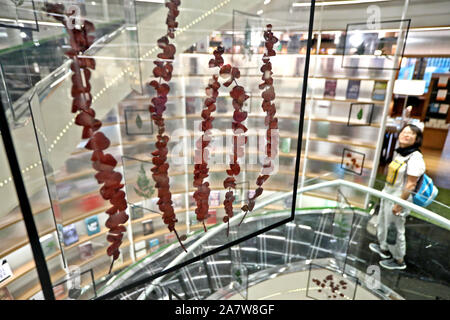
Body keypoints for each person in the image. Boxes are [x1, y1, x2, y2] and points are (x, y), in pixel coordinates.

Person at [369, 124, 425, 270]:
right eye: (404, 132)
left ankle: (398, 259)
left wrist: (399, 203)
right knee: (383, 222)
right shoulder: (401, 153)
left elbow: (411, 184)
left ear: (417, 138)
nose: (406, 135)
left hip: (399, 198)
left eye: (411, 133)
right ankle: (384, 248)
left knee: (395, 228)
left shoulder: (415, 157)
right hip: (388, 194)